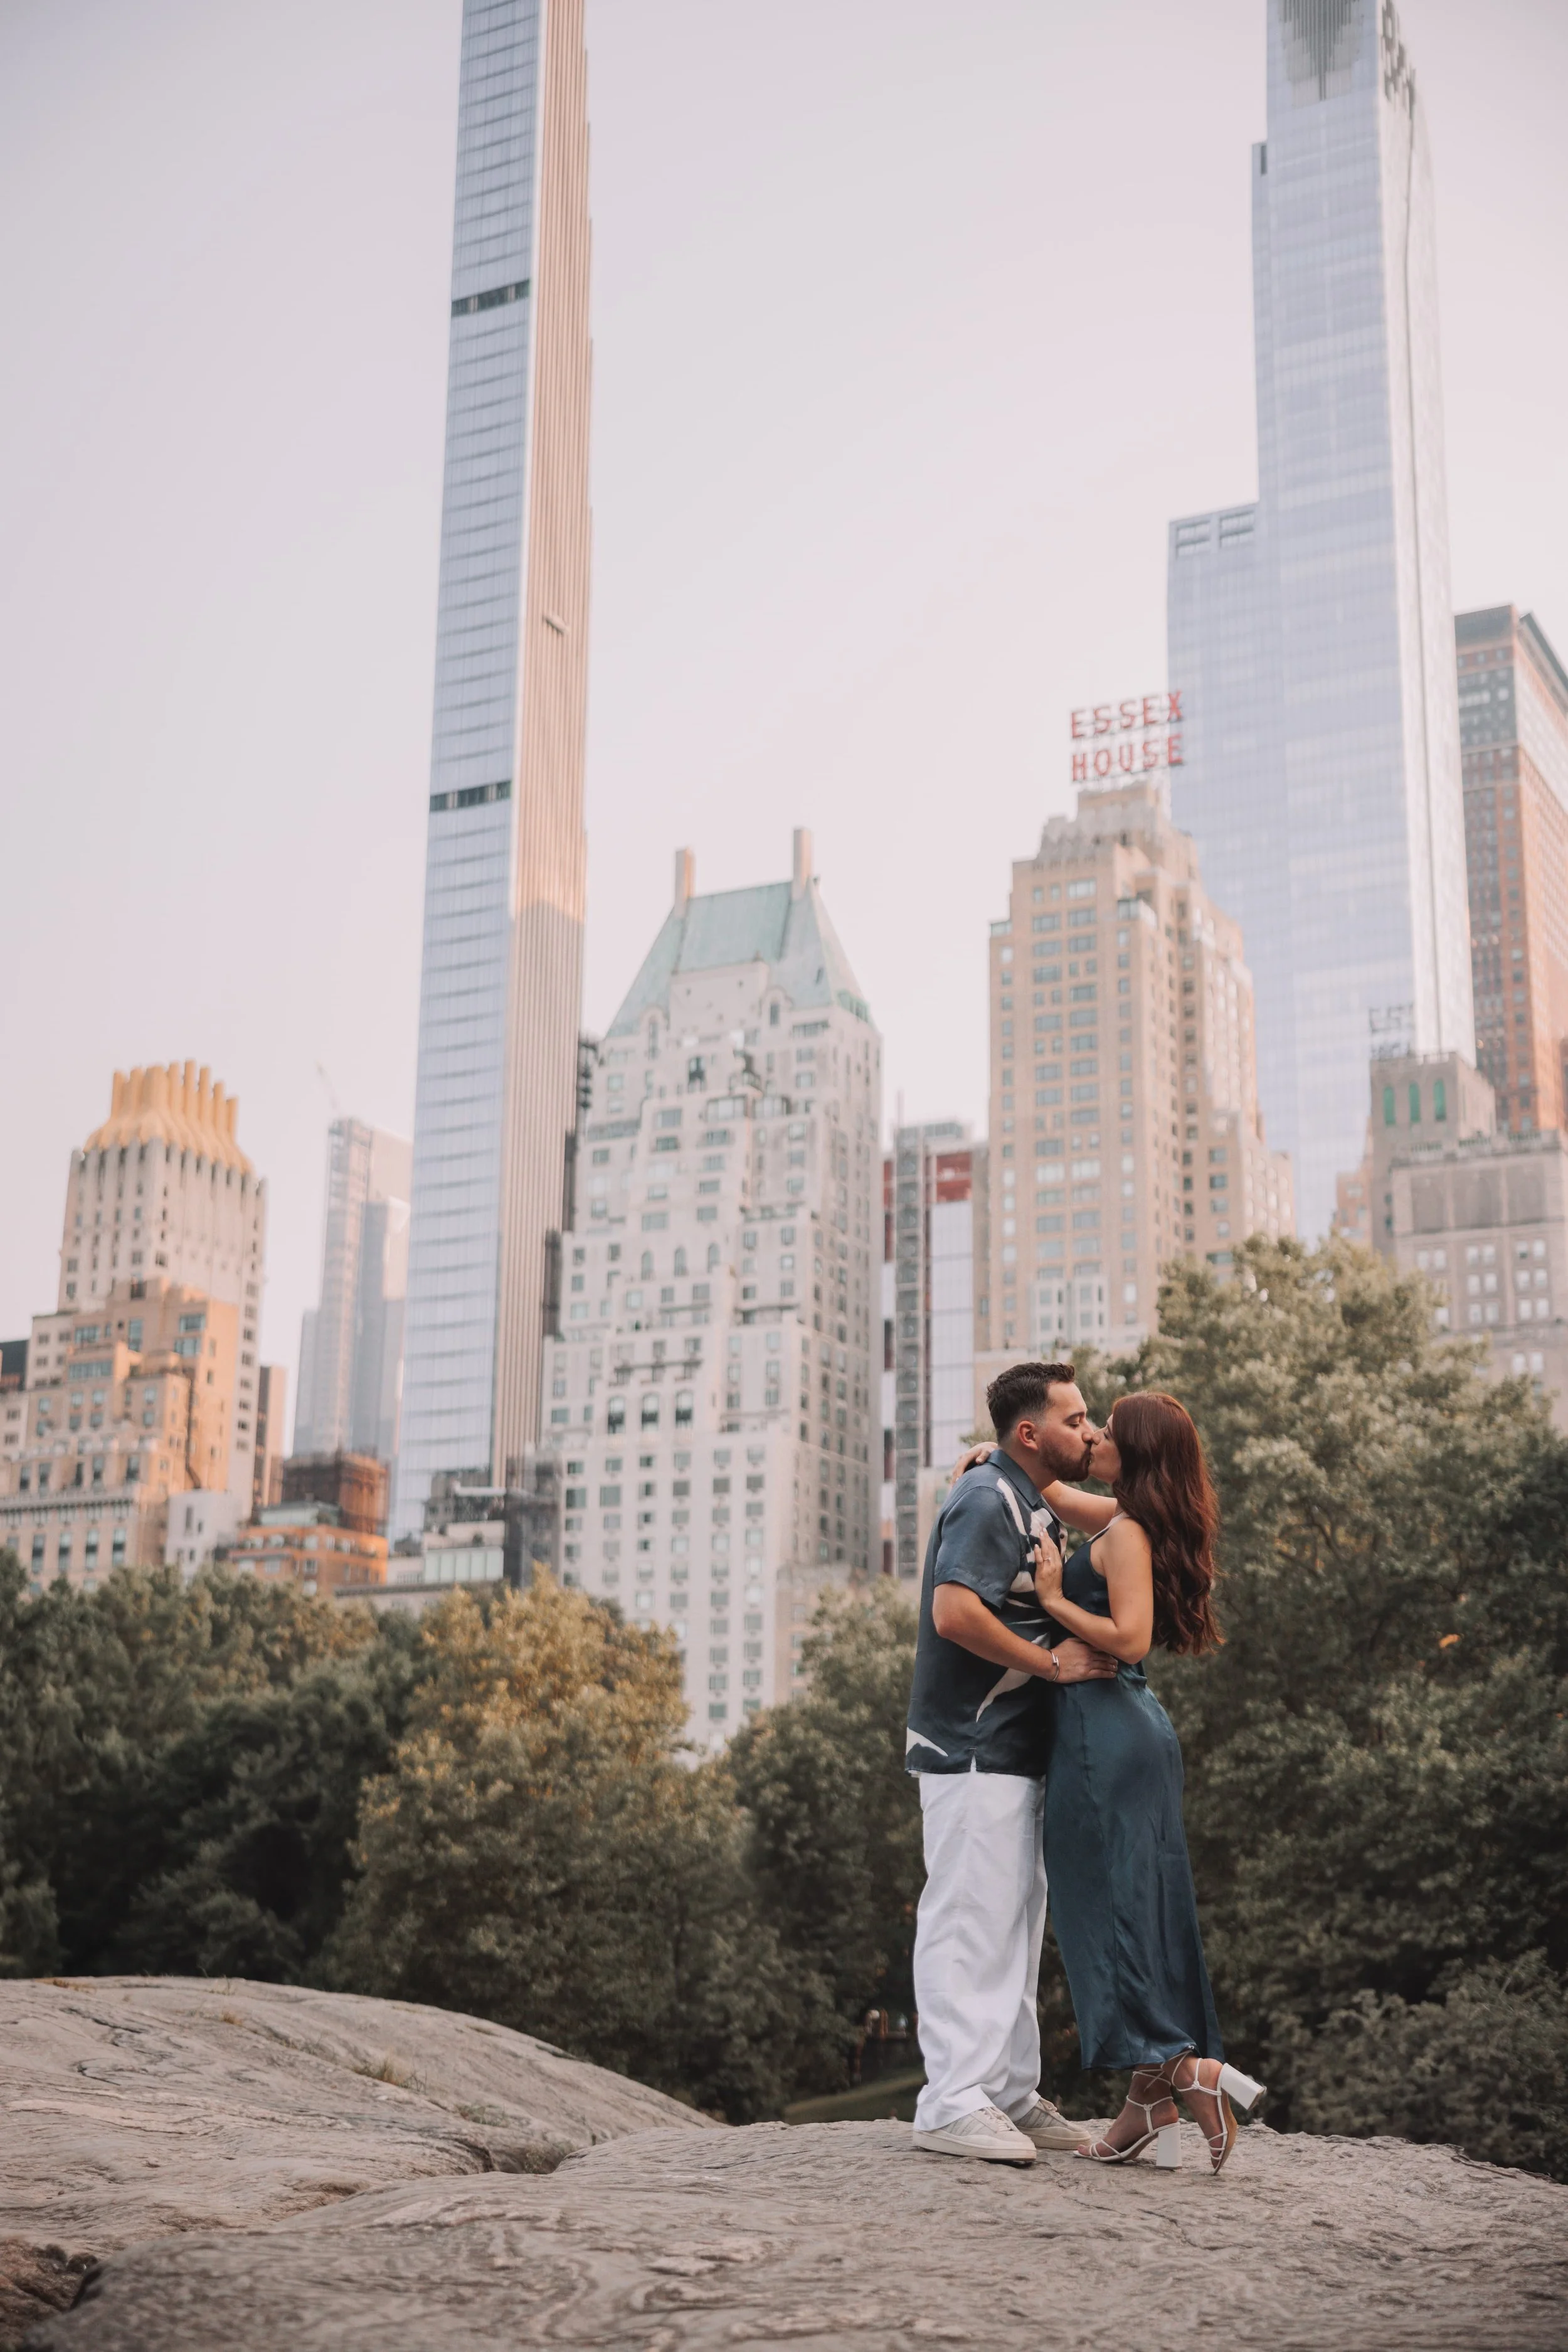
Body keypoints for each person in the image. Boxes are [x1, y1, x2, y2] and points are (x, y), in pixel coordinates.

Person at [982, 1389, 1267, 2174]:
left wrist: (1048, 1599)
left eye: (1106, 1430)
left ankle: (1186, 2069)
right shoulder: (1112, 1516)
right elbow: (1046, 1485)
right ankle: (1148, 2103)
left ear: (1132, 1456)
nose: (1094, 1436)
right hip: (1125, 1730)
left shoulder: (1126, 1532)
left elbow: (1131, 1636)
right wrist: (992, 1460)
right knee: (1140, 1905)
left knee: (1102, 1909)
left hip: (1101, 1736)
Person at [904, 1360, 1118, 2166]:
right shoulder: (988, 1495)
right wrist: (1055, 1665)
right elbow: (954, 1610)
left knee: (1013, 1924)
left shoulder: (1025, 1495)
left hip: (1017, 1752)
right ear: (1029, 1433)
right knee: (967, 1920)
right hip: (968, 1745)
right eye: (1075, 1418)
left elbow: (1120, 1481)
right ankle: (950, 2099)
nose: (1089, 1430)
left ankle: (1003, 2089)